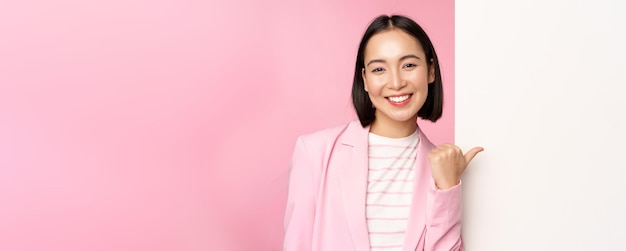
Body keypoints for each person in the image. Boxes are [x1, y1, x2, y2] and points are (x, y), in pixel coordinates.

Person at [283, 14, 483, 251]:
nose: (396, 82)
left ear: (430, 71)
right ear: (365, 79)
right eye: (379, 69)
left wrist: (447, 188)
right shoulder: (315, 151)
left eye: (408, 65)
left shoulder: (443, 169)